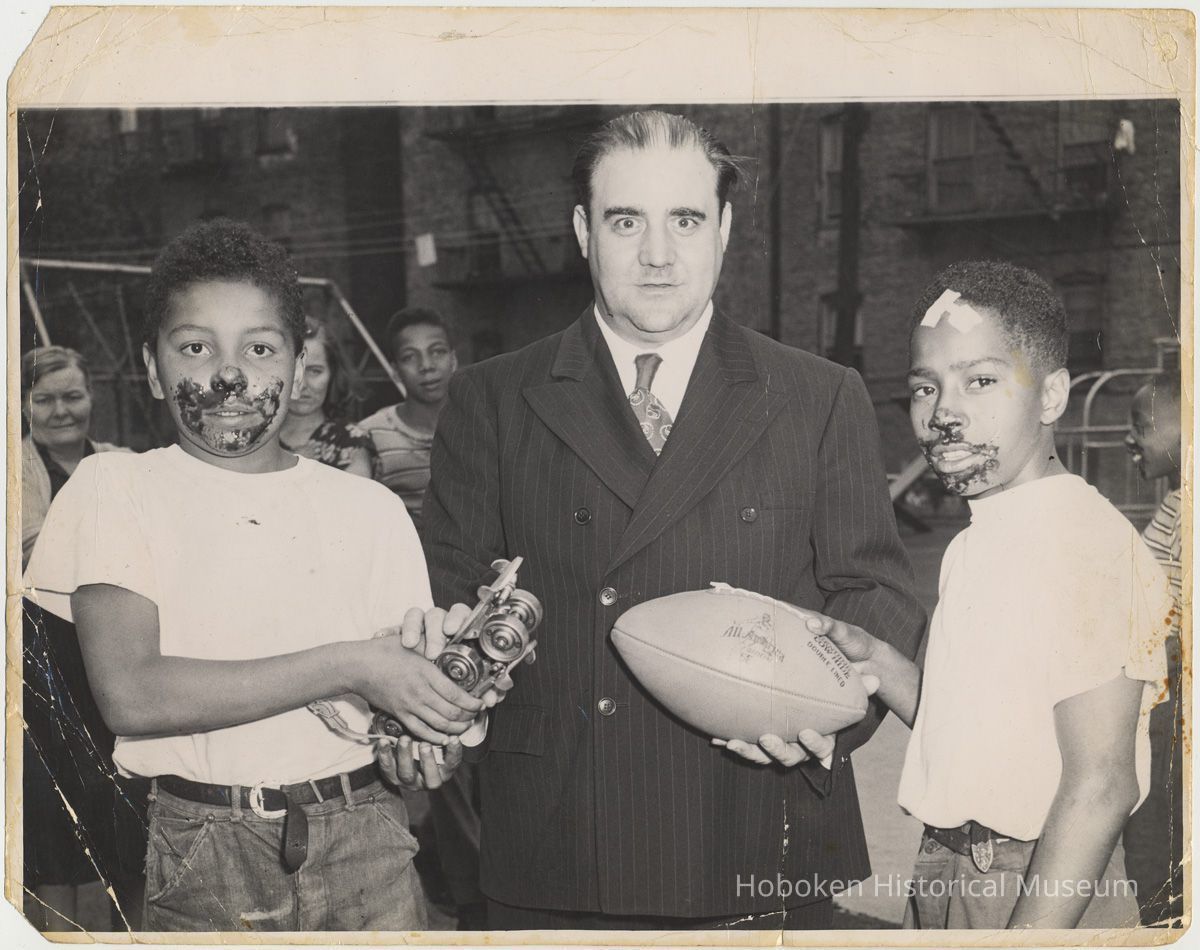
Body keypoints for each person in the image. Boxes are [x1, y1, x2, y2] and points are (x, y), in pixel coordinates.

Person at [421, 110, 926, 930]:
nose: (658, 254)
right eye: (627, 221)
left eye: (685, 219)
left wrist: (822, 708)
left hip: (761, 822)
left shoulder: (817, 394)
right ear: (584, 231)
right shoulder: (492, 398)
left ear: (724, 230)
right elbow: (450, 595)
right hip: (561, 847)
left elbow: (873, 589)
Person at [24, 219, 494, 932]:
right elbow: (133, 694)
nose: (229, 374)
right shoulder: (114, 487)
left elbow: (397, 733)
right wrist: (354, 665)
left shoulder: (371, 509)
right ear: (153, 367)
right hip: (205, 848)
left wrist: (427, 736)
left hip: (369, 839)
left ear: (300, 363)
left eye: (261, 347)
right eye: (194, 347)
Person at [795, 260, 1171, 930]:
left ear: (1051, 396)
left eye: (981, 381)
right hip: (947, 866)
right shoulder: (978, 540)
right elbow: (980, 730)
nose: (945, 413)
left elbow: (1103, 783)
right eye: (924, 388)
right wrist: (879, 663)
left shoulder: (1083, 543)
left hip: (1045, 883)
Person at [20, 346, 146, 932]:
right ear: (24, 406)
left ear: (93, 396)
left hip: (108, 653)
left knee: (118, 805)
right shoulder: (13, 465)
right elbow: (25, 555)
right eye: (44, 399)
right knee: (49, 811)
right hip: (38, 660)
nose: (60, 411)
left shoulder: (120, 462)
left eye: (72, 396)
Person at [1121, 372, 1184, 926]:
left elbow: (1151, 616)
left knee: (1155, 833)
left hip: (1173, 705)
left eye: (1141, 425)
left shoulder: (1184, 508)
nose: (1130, 438)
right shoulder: (1178, 504)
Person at [358, 307, 457, 529]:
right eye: (410, 357)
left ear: (454, 359)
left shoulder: (480, 425)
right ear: (394, 370)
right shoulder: (370, 436)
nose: (427, 366)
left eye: (437, 351)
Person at [278, 317, 377, 477]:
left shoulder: (351, 441)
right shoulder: (256, 437)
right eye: (292, 371)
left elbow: (356, 500)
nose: (302, 384)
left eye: (315, 371)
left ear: (333, 374)